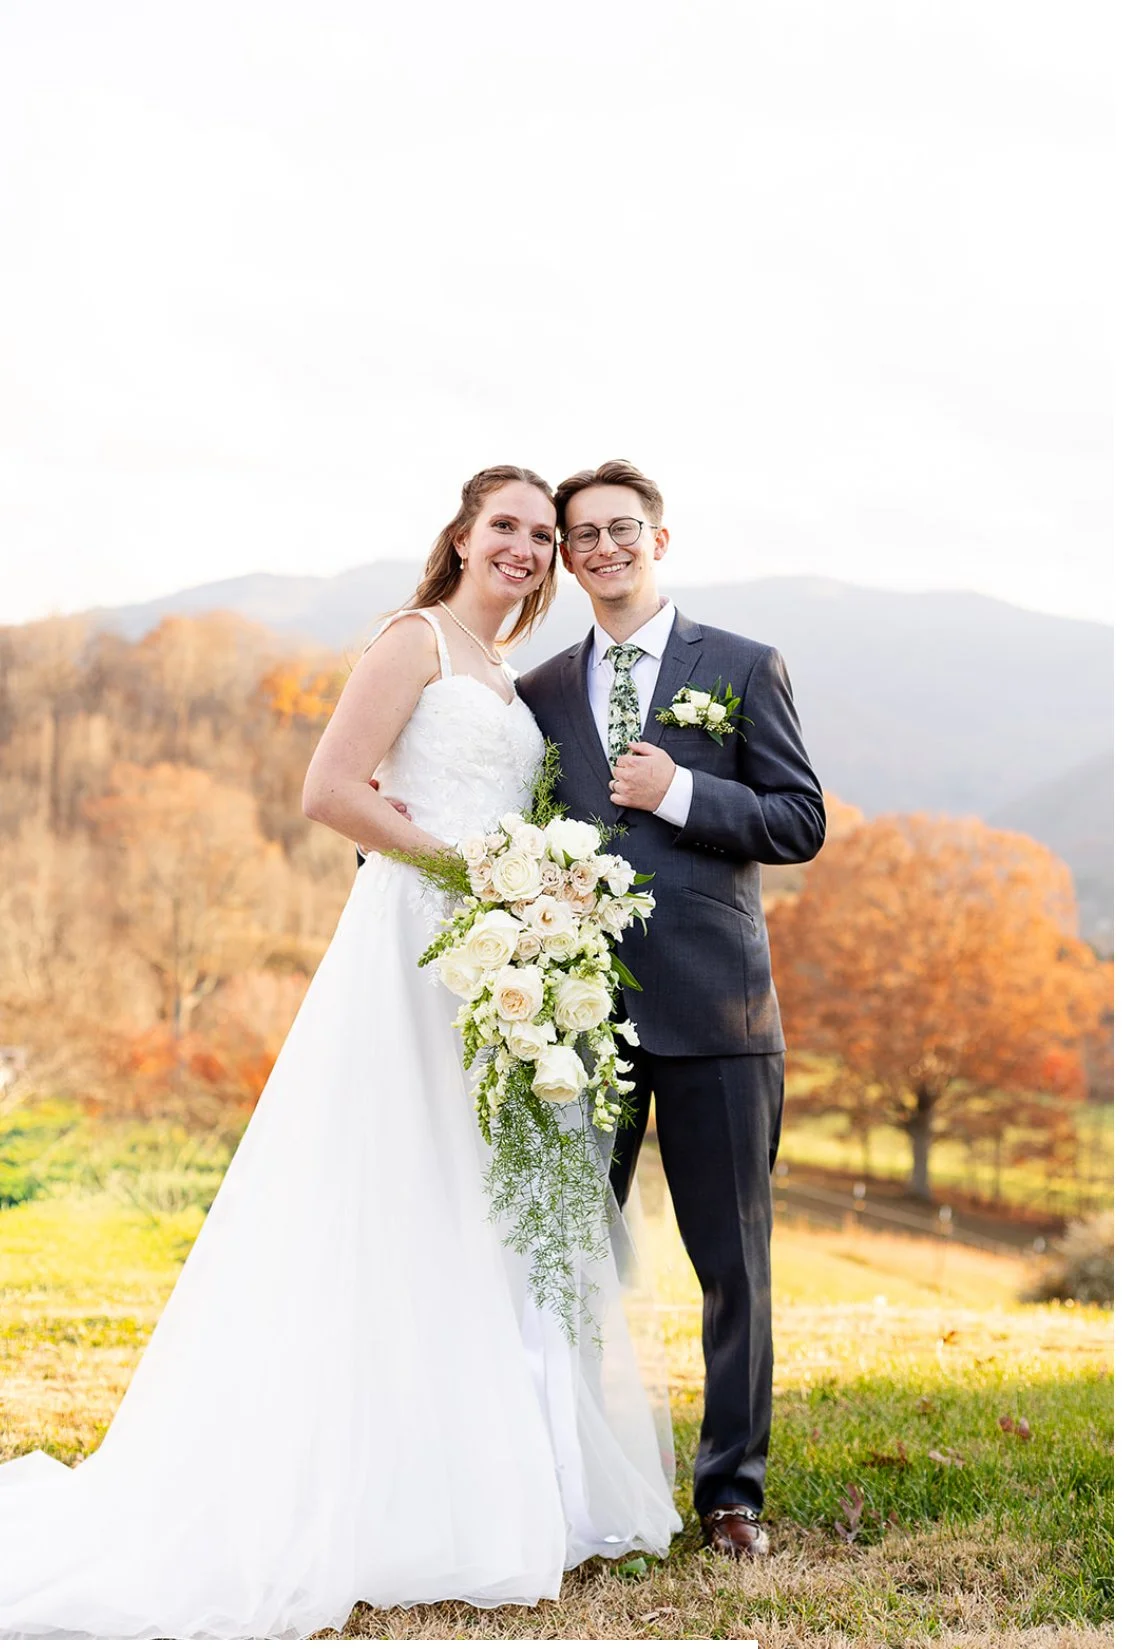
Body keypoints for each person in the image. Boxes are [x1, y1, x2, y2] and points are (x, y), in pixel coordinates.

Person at [0, 465, 679, 1640]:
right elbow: (328, 790)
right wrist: (471, 873)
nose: (523, 548)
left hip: (489, 955)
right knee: (388, 1189)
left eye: (538, 534)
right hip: (415, 942)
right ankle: (354, 1487)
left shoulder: (506, 678)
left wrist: (531, 896)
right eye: (504, 526)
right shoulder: (411, 641)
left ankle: (469, 1480)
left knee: (467, 1206)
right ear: (462, 536)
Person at [517, 459, 826, 1560]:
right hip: (578, 1020)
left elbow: (799, 819)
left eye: (619, 529)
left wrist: (682, 792)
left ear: (660, 537)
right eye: (579, 535)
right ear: (562, 554)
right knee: (567, 1252)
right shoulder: (540, 688)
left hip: (722, 1015)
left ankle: (730, 1494)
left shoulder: (741, 665)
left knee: (732, 1264)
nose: (600, 548)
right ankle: (562, 1470)